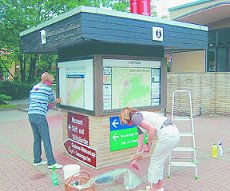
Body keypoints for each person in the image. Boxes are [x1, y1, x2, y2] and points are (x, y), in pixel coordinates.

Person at [119, 107, 180, 191]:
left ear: (126, 117)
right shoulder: (139, 121)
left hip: (167, 134)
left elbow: (152, 129)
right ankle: (158, 187)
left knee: (155, 162)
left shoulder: (135, 117)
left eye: (125, 122)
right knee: (159, 162)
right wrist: (134, 160)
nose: (126, 124)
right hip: (173, 133)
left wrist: (148, 144)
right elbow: (140, 145)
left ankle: (154, 188)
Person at [28, 72, 63, 169]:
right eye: (51, 82)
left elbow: (38, 102)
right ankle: (51, 163)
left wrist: (48, 106)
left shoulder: (35, 87)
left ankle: (37, 160)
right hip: (40, 116)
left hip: (31, 115)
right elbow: (52, 100)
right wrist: (58, 101)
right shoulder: (48, 89)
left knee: (37, 138)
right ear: (47, 81)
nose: (51, 84)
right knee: (46, 139)